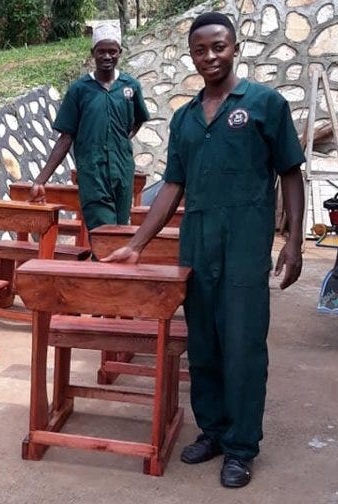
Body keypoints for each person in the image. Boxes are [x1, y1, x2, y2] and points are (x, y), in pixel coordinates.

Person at [102, 12, 305, 488]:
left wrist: (294, 242)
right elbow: (173, 185)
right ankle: (213, 431)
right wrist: (136, 245)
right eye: (200, 49)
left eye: (219, 46)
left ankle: (240, 447)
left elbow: (291, 174)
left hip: (245, 246)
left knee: (243, 345)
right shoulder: (186, 117)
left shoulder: (264, 104)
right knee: (204, 343)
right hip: (196, 245)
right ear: (191, 54)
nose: (210, 56)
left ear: (235, 47)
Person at [29, 22, 150, 232]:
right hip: (93, 174)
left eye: (112, 51)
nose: (107, 57)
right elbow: (66, 138)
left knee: (121, 232)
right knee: (103, 233)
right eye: (101, 51)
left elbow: (138, 119)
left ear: (120, 52)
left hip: (122, 171)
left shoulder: (130, 87)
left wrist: (120, 140)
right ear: (93, 53)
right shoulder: (79, 90)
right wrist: (41, 179)